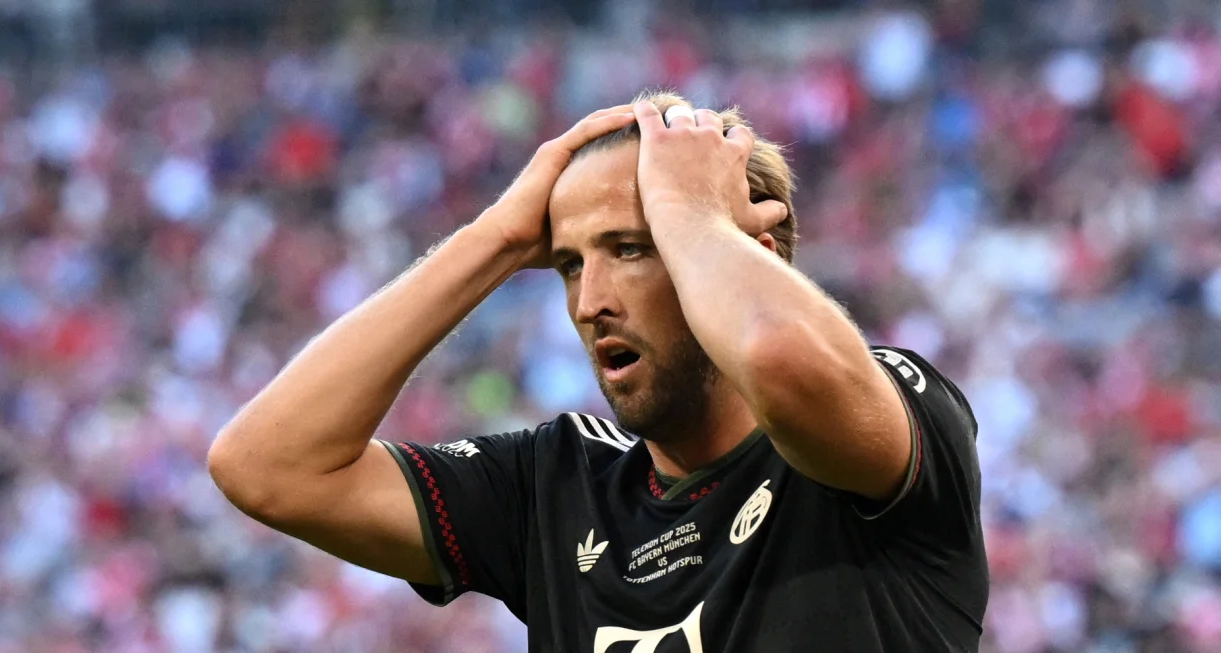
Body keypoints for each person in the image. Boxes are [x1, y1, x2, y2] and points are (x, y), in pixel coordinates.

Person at [208, 91, 989, 652]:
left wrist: (690, 215)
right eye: (567, 265)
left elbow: (778, 358)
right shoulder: (556, 484)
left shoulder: (886, 411)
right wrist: (497, 239)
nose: (590, 301)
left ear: (753, 248)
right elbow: (266, 464)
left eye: (631, 248)